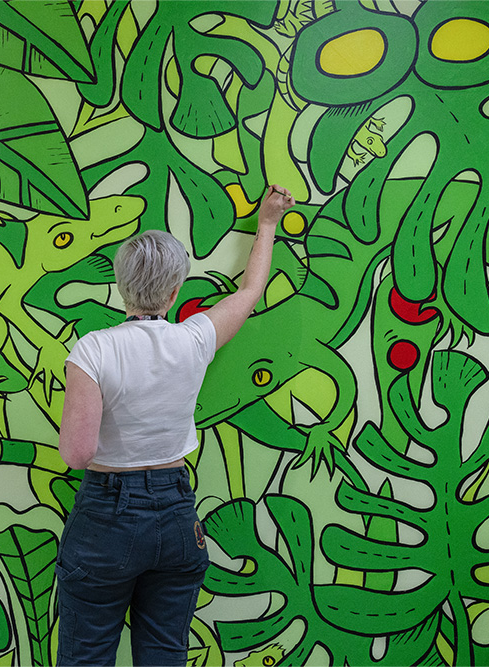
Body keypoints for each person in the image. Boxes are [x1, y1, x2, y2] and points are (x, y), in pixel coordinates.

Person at [55, 185, 296, 666]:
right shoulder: (195, 340)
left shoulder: (93, 350)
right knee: (165, 655)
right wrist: (266, 224)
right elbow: (250, 291)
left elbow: (77, 455)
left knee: (86, 658)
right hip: (175, 513)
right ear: (174, 291)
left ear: (121, 286)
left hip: (107, 514)